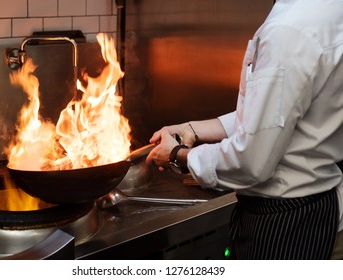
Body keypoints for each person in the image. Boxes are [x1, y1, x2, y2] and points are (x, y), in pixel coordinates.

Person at [146, 0, 343, 260]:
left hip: (287, 222)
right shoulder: (328, 9)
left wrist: (178, 155)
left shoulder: (288, 29)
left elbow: (251, 161)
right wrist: (194, 129)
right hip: (319, 204)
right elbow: (279, 112)